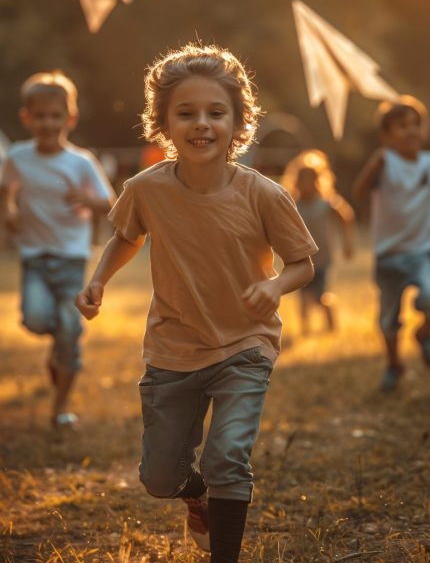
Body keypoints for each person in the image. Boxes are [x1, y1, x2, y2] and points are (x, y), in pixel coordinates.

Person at [75, 43, 317, 563]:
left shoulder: (264, 194)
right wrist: (98, 281)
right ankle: (195, 494)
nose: (201, 124)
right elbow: (126, 236)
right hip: (173, 349)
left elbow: (303, 264)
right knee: (160, 478)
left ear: (238, 122)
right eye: (186, 113)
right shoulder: (146, 189)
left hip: (246, 345)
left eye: (216, 112)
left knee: (227, 457)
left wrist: (274, 286)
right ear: (163, 122)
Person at [0, 71, 115, 427]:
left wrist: (86, 199)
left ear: (70, 118)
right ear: (26, 118)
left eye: (55, 116)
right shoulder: (18, 156)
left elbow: (110, 202)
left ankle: (60, 407)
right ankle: (60, 342)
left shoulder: (81, 162)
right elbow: (6, 189)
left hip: (71, 257)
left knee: (69, 328)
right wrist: (9, 211)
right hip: (34, 255)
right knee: (35, 319)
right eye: (40, 116)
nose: (48, 123)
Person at [352, 95, 430, 392]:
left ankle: (424, 333)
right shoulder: (385, 163)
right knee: (388, 320)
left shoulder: (427, 163)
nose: (411, 130)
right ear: (386, 136)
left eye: (415, 124)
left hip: (422, 251)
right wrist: (374, 164)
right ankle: (394, 365)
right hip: (388, 255)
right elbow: (358, 192)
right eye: (402, 126)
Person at [282, 150, 355, 335]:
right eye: (302, 180)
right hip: (301, 258)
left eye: (310, 180)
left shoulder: (326, 203)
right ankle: (305, 330)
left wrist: (347, 243)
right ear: (296, 181)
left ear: (318, 180)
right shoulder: (293, 204)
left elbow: (346, 217)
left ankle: (331, 325)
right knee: (303, 295)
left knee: (321, 295)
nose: (305, 184)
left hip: (323, 258)